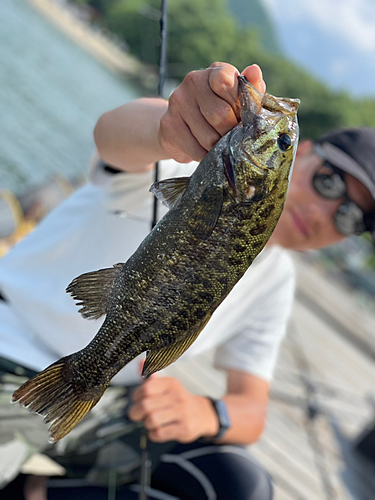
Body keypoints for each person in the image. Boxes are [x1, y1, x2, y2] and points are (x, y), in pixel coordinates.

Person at [0, 62, 374, 500]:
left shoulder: (277, 281)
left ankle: (34, 489)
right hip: (12, 343)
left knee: (237, 486)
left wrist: (206, 412)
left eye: (350, 216)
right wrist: (167, 126)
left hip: (106, 403)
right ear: (304, 153)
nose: (323, 212)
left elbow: (252, 408)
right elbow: (111, 135)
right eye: (328, 183)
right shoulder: (181, 167)